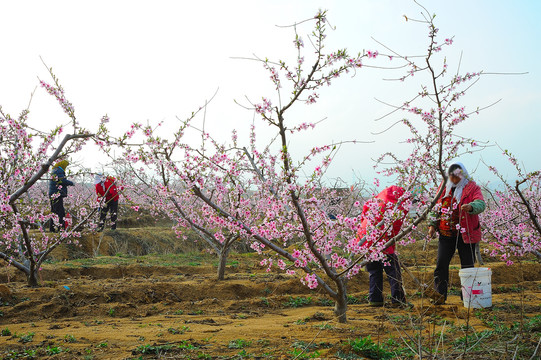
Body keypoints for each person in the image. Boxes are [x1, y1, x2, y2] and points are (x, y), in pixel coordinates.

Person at [427, 162, 486, 304]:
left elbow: (481, 204)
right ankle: (439, 295)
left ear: (462, 175)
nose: (454, 180)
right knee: (441, 264)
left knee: (467, 266)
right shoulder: (444, 188)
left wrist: (471, 207)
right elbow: (436, 207)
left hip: (466, 234)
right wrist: (432, 225)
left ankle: (467, 297)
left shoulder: (472, 187)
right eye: (452, 177)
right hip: (446, 234)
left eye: (457, 177)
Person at [357, 185, 409, 307]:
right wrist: (391, 244)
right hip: (381, 238)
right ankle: (398, 300)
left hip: (365, 235)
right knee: (393, 270)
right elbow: (395, 229)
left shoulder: (379, 198)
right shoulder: (398, 207)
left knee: (374, 269)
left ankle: (375, 299)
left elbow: (365, 210)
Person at [48, 159, 74, 232]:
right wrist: (71, 183)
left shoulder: (55, 170)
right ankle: (61, 229)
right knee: (60, 212)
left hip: (53, 193)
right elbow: (61, 181)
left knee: (54, 211)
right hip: (56, 194)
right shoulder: (58, 171)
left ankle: (52, 229)